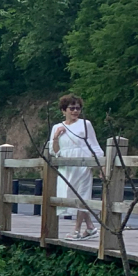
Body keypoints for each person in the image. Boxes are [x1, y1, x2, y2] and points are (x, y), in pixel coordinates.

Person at [47, 94, 100, 238]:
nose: (75, 111)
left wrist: (100, 165)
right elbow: (54, 151)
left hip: (83, 164)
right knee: (70, 196)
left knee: (82, 195)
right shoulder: (57, 127)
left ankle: (76, 230)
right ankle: (90, 228)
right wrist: (56, 137)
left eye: (78, 108)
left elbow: (94, 145)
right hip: (66, 166)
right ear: (64, 110)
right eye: (72, 108)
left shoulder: (85, 124)